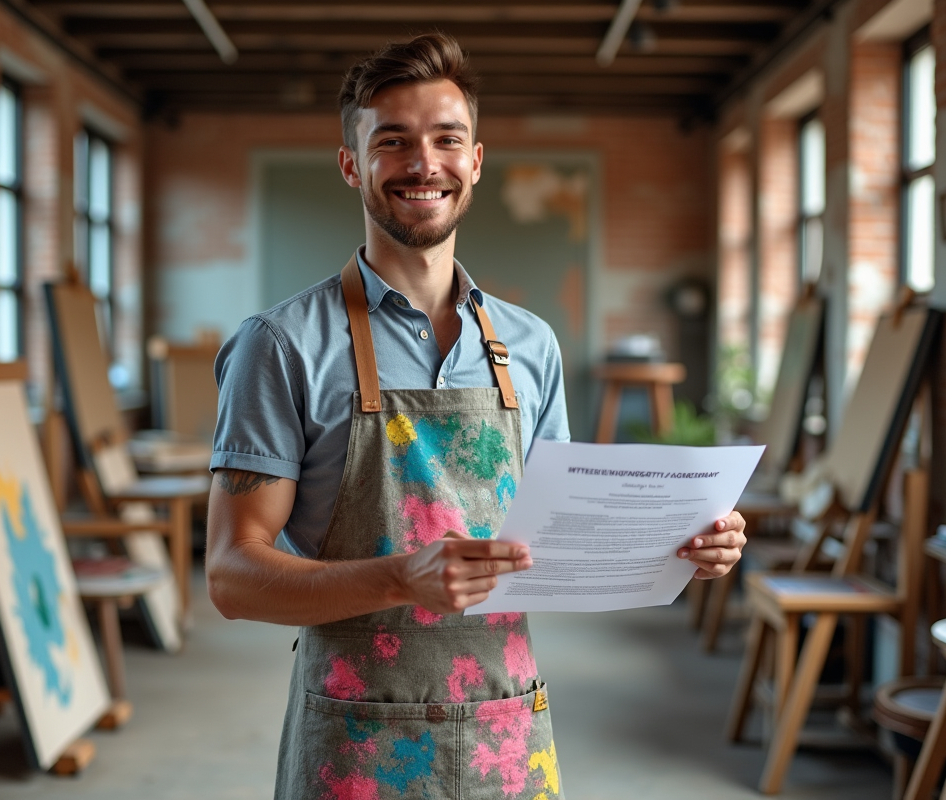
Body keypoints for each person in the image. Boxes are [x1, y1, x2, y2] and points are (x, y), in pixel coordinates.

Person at [205, 32, 748, 800]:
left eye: (446, 140)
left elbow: (559, 549)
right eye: (393, 141)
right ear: (352, 165)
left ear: (476, 162)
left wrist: (678, 548)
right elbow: (233, 577)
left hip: (508, 731)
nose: (424, 164)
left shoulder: (531, 344)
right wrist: (400, 576)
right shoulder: (282, 346)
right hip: (356, 741)